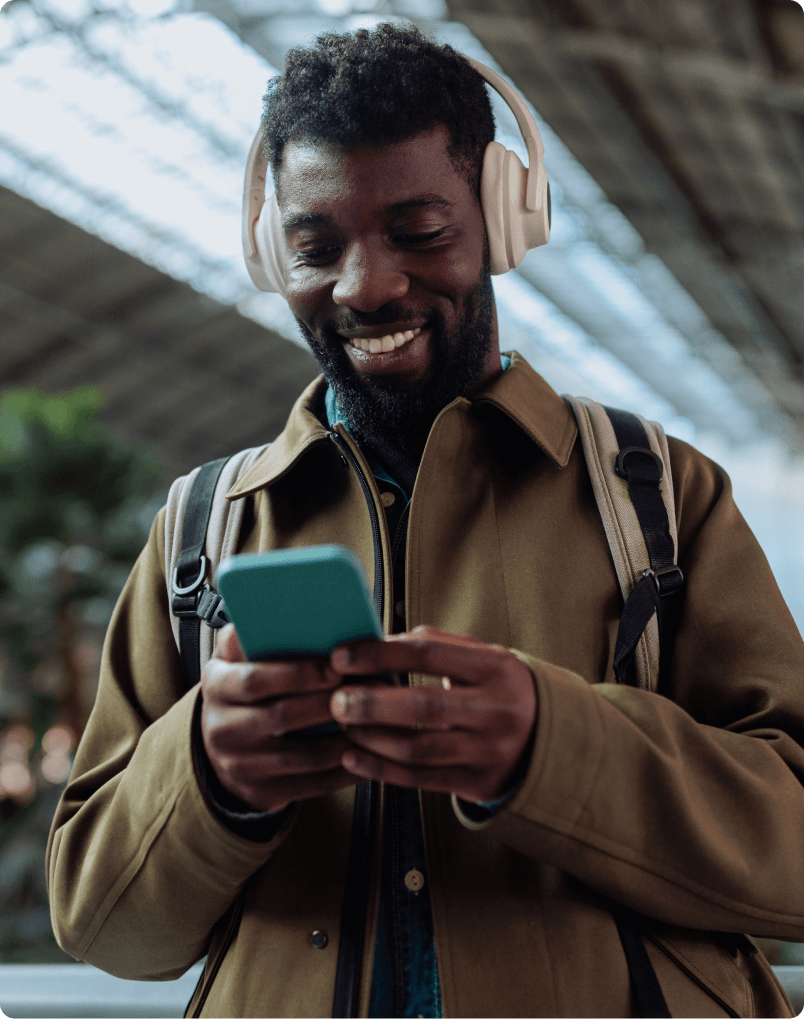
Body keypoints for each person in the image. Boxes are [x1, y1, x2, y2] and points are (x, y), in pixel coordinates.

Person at [47, 22, 804, 1019]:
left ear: (501, 219)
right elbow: (105, 928)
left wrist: (551, 746)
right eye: (317, 247)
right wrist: (208, 775)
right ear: (273, 251)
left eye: (420, 232)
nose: (364, 286)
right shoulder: (197, 532)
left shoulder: (659, 496)